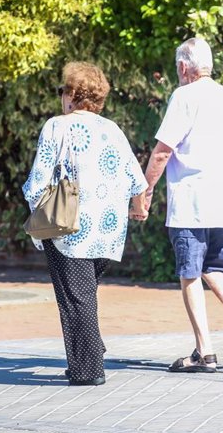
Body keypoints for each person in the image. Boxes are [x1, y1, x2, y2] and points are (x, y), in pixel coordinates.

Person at [23, 62, 148, 386]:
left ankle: (88, 369)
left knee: (75, 298)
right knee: (83, 293)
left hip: (70, 226)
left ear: (72, 94)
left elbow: (38, 181)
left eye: (62, 90)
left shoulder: (57, 127)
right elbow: (137, 179)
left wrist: (35, 213)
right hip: (108, 229)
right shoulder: (112, 129)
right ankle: (90, 348)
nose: (61, 96)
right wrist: (138, 210)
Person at [143, 38, 223, 373]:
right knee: (214, 268)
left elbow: (163, 151)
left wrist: (145, 191)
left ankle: (204, 352)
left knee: (190, 272)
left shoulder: (184, 96)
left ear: (182, 67)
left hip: (192, 202)